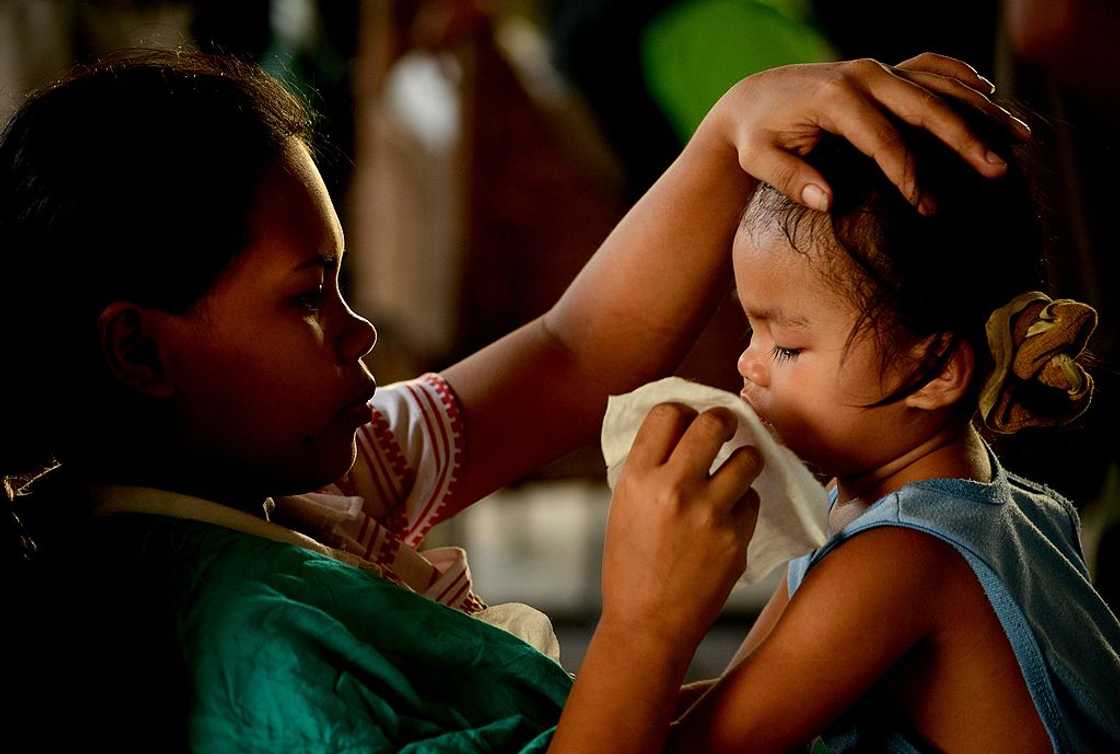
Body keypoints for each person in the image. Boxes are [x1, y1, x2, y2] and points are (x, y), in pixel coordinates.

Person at [0, 50, 1023, 751]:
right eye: (307, 298)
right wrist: (643, 626)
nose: (359, 333)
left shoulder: (298, 480)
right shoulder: (252, 661)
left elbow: (575, 352)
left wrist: (732, 130)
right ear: (139, 347)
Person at [661, 104, 1120, 752]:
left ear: (936, 370)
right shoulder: (997, 506)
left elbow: (705, 748)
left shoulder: (901, 560)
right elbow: (738, 696)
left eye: (786, 346)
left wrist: (649, 616)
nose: (746, 363)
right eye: (750, 328)